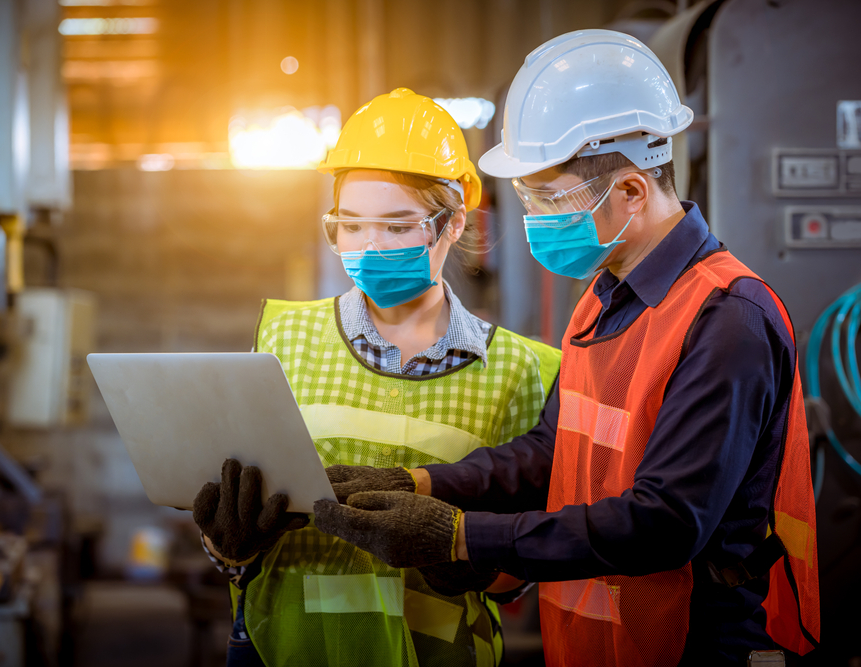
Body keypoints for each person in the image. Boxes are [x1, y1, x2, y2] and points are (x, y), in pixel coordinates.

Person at [312, 31, 820, 667]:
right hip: (598, 641)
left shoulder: (727, 319)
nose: (532, 219)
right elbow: (552, 452)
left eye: (547, 198)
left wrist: (463, 537)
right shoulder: (604, 297)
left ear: (632, 192)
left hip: (697, 643)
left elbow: (665, 523)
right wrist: (418, 483)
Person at [191, 87, 561, 667]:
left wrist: (451, 551)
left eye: (396, 226)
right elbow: (239, 522)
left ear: (453, 222)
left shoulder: (523, 371)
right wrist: (227, 544)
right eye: (351, 225)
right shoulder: (284, 338)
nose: (369, 245)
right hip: (283, 649)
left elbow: (518, 570)